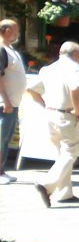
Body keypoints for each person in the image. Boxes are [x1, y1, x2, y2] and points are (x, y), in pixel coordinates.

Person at [26, 41, 79, 207]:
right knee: (70, 153)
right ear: (75, 55)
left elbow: (31, 89)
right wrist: (78, 111)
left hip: (51, 114)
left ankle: (64, 193)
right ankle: (46, 184)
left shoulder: (48, 69)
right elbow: (75, 89)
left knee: (61, 154)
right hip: (66, 115)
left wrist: (44, 105)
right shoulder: (74, 69)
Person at [0, 19, 27, 184]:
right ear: (7, 30)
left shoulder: (10, 50)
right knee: (1, 137)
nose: (18, 33)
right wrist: (6, 101)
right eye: (16, 30)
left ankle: (2, 170)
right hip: (5, 103)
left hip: (13, 102)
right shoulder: (2, 49)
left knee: (6, 138)